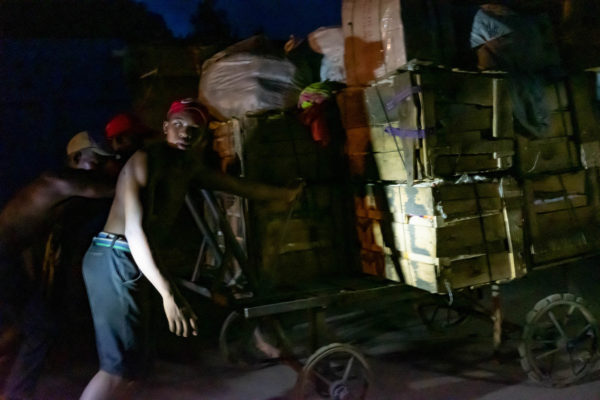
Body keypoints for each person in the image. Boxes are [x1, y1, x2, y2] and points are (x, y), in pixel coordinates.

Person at [80, 98, 303, 400]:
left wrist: (285, 194)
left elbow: (237, 186)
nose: (186, 133)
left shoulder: (186, 167)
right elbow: (135, 231)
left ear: (203, 136)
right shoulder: (147, 161)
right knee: (116, 371)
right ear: (165, 127)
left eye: (194, 130)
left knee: (135, 369)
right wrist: (169, 294)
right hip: (115, 256)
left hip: (131, 261)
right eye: (179, 125)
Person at [0, 131, 115, 400]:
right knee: (39, 327)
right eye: (96, 162)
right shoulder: (58, 182)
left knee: (27, 326)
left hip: (9, 260)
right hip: (3, 260)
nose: (99, 169)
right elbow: (113, 187)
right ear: (75, 158)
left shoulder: (63, 196)